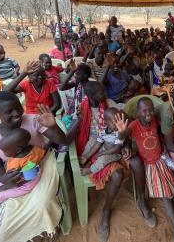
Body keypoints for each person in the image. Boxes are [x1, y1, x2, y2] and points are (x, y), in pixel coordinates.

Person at [0, 91, 68, 242]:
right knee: (9, 215)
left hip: (41, 165)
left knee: (41, 204)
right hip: (12, 173)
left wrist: (53, 127)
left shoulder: (33, 120)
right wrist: (4, 178)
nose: (16, 113)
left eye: (18, 107)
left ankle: (44, 232)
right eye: (9, 111)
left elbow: (62, 140)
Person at [117, 98, 174, 242]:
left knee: (171, 196)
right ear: (138, 113)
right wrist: (121, 131)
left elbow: (159, 135)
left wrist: (165, 149)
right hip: (150, 166)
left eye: (151, 109)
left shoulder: (154, 120)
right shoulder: (134, 125)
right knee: (167, 198)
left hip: (161, 161)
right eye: (144, 110)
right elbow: (123, 136)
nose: (148, 113)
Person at [67, 82, 125, 242]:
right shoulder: (81, 107)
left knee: (117, 173)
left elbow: (123, 122)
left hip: (110, 146)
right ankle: (83, 173)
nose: (104, 95)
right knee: (82, 156)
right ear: (91, 97)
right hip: (93, 141)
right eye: (101, 93)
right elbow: (73, 131)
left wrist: (123, 137)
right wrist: (78, 119)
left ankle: (106, 211)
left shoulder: (110, 104)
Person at [0, 128, 46, 215]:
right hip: (36, 174)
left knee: (0, 195)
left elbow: (13, 181)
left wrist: (3, 188)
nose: (4, 154)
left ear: (18, 150)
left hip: (24, 186)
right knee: (1, 180)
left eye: (5, 151)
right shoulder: (35, 149)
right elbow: (43, 153)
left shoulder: (15, 162)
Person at [79, 107, 123, 177]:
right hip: (104, 149)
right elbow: (98, 144)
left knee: (103, 159)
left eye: (118, 121)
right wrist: (88, 156)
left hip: (114, 154)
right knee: (93, 141)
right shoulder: (103, 131)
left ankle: (90, 169)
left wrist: (101, 153)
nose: (117, 124)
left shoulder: (120, 132)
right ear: (106, 122)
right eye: (113, 122)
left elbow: (116, 148)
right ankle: (84, 158)